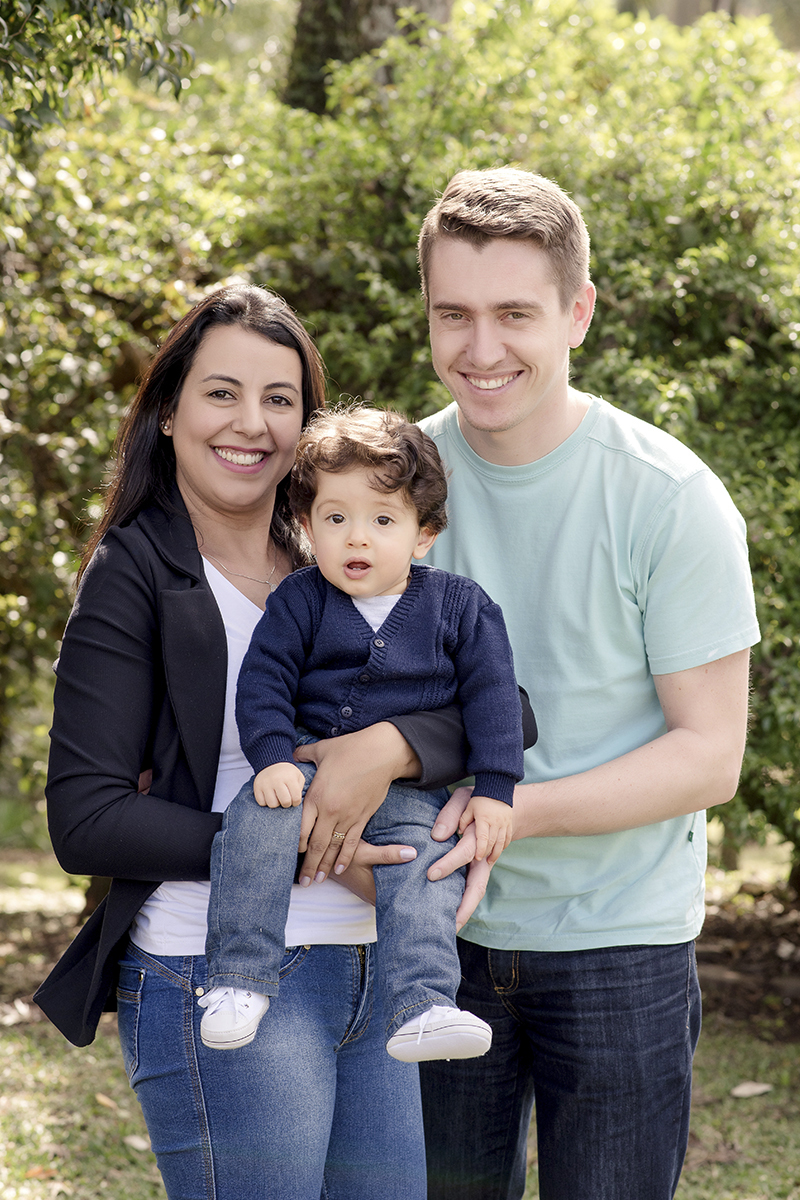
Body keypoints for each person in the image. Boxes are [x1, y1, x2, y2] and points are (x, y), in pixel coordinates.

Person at [33, 283, 501, 1200]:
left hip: (379, 968)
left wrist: (392, 749)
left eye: (279, 399)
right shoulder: (135, 573)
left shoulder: (344, 547)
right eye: (221, 393)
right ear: (169, 413)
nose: (251, 423)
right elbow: (85, 820)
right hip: (222, 968)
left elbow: (499, 701)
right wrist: (297, 845)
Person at [413, 168, 761, 1200]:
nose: (480, 350)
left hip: (620, 949)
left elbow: (709, 754)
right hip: (435, 937)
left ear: (576, 313)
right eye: (453, 315)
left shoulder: (668, 500)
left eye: (513, 313)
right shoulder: (386, 488)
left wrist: (508, 813)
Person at [199, 405, 524, 1062]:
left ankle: (424, 1003)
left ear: (423, 534)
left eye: (382, 521)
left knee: (428, 869)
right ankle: (238, 978)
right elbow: (263, 684)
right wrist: (269, 760)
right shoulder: (298, 602)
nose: (357, 539)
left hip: (413, 795)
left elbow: (495, 700)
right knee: (255, 823)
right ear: (306, 525)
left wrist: (494, 789)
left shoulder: (461, 606)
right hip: (308, 776)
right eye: (336, 519)